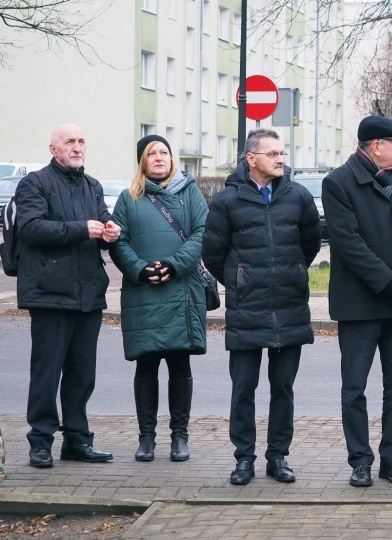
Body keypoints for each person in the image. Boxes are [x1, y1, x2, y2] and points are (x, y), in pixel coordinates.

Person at [202, 128, 321, 485]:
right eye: (272, 154)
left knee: (283, 389)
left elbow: (310, 243)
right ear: (251, 159)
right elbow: (212, 252)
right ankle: (244, 459)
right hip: (246, 308)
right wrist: (240, 282)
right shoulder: (227, 201)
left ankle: (278, 457)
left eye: (282, 153)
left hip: (289, 307)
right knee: (243, 390)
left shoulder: (298, 196)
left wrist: (295, 272)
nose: (281, 159)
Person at [322, 115, 392, 487]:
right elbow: (348, 242)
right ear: (376, 146)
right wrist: (388, 281)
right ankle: (360, 461)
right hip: (360, 305)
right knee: (355, 387)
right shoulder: (338, 183)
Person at [18, 123, 120, 468]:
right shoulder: (35, 183)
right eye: (70, 142)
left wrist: (111, 231)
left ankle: (77, 440)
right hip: (49, 293)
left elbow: (103, 221)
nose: (77, 147)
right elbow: (30, 228)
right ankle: (40, 442)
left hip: (88, 293)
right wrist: (81, 229)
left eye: (81, 141)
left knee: (82, 373)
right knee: (47, 372)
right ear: (53, 149)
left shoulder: (92, 185)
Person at [109, 135, 208, 463]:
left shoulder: (190, 192)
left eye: (164, 152)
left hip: (181, 292)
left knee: (180, 364)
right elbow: (118, 241)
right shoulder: (128, 198)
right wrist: (139, 270)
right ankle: (146, 438)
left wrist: (172, 265)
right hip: (143, 292)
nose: (160, 157)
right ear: (143, 161)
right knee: (146, 364)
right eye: (152, 153)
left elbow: (201, 235)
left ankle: (180, 437)